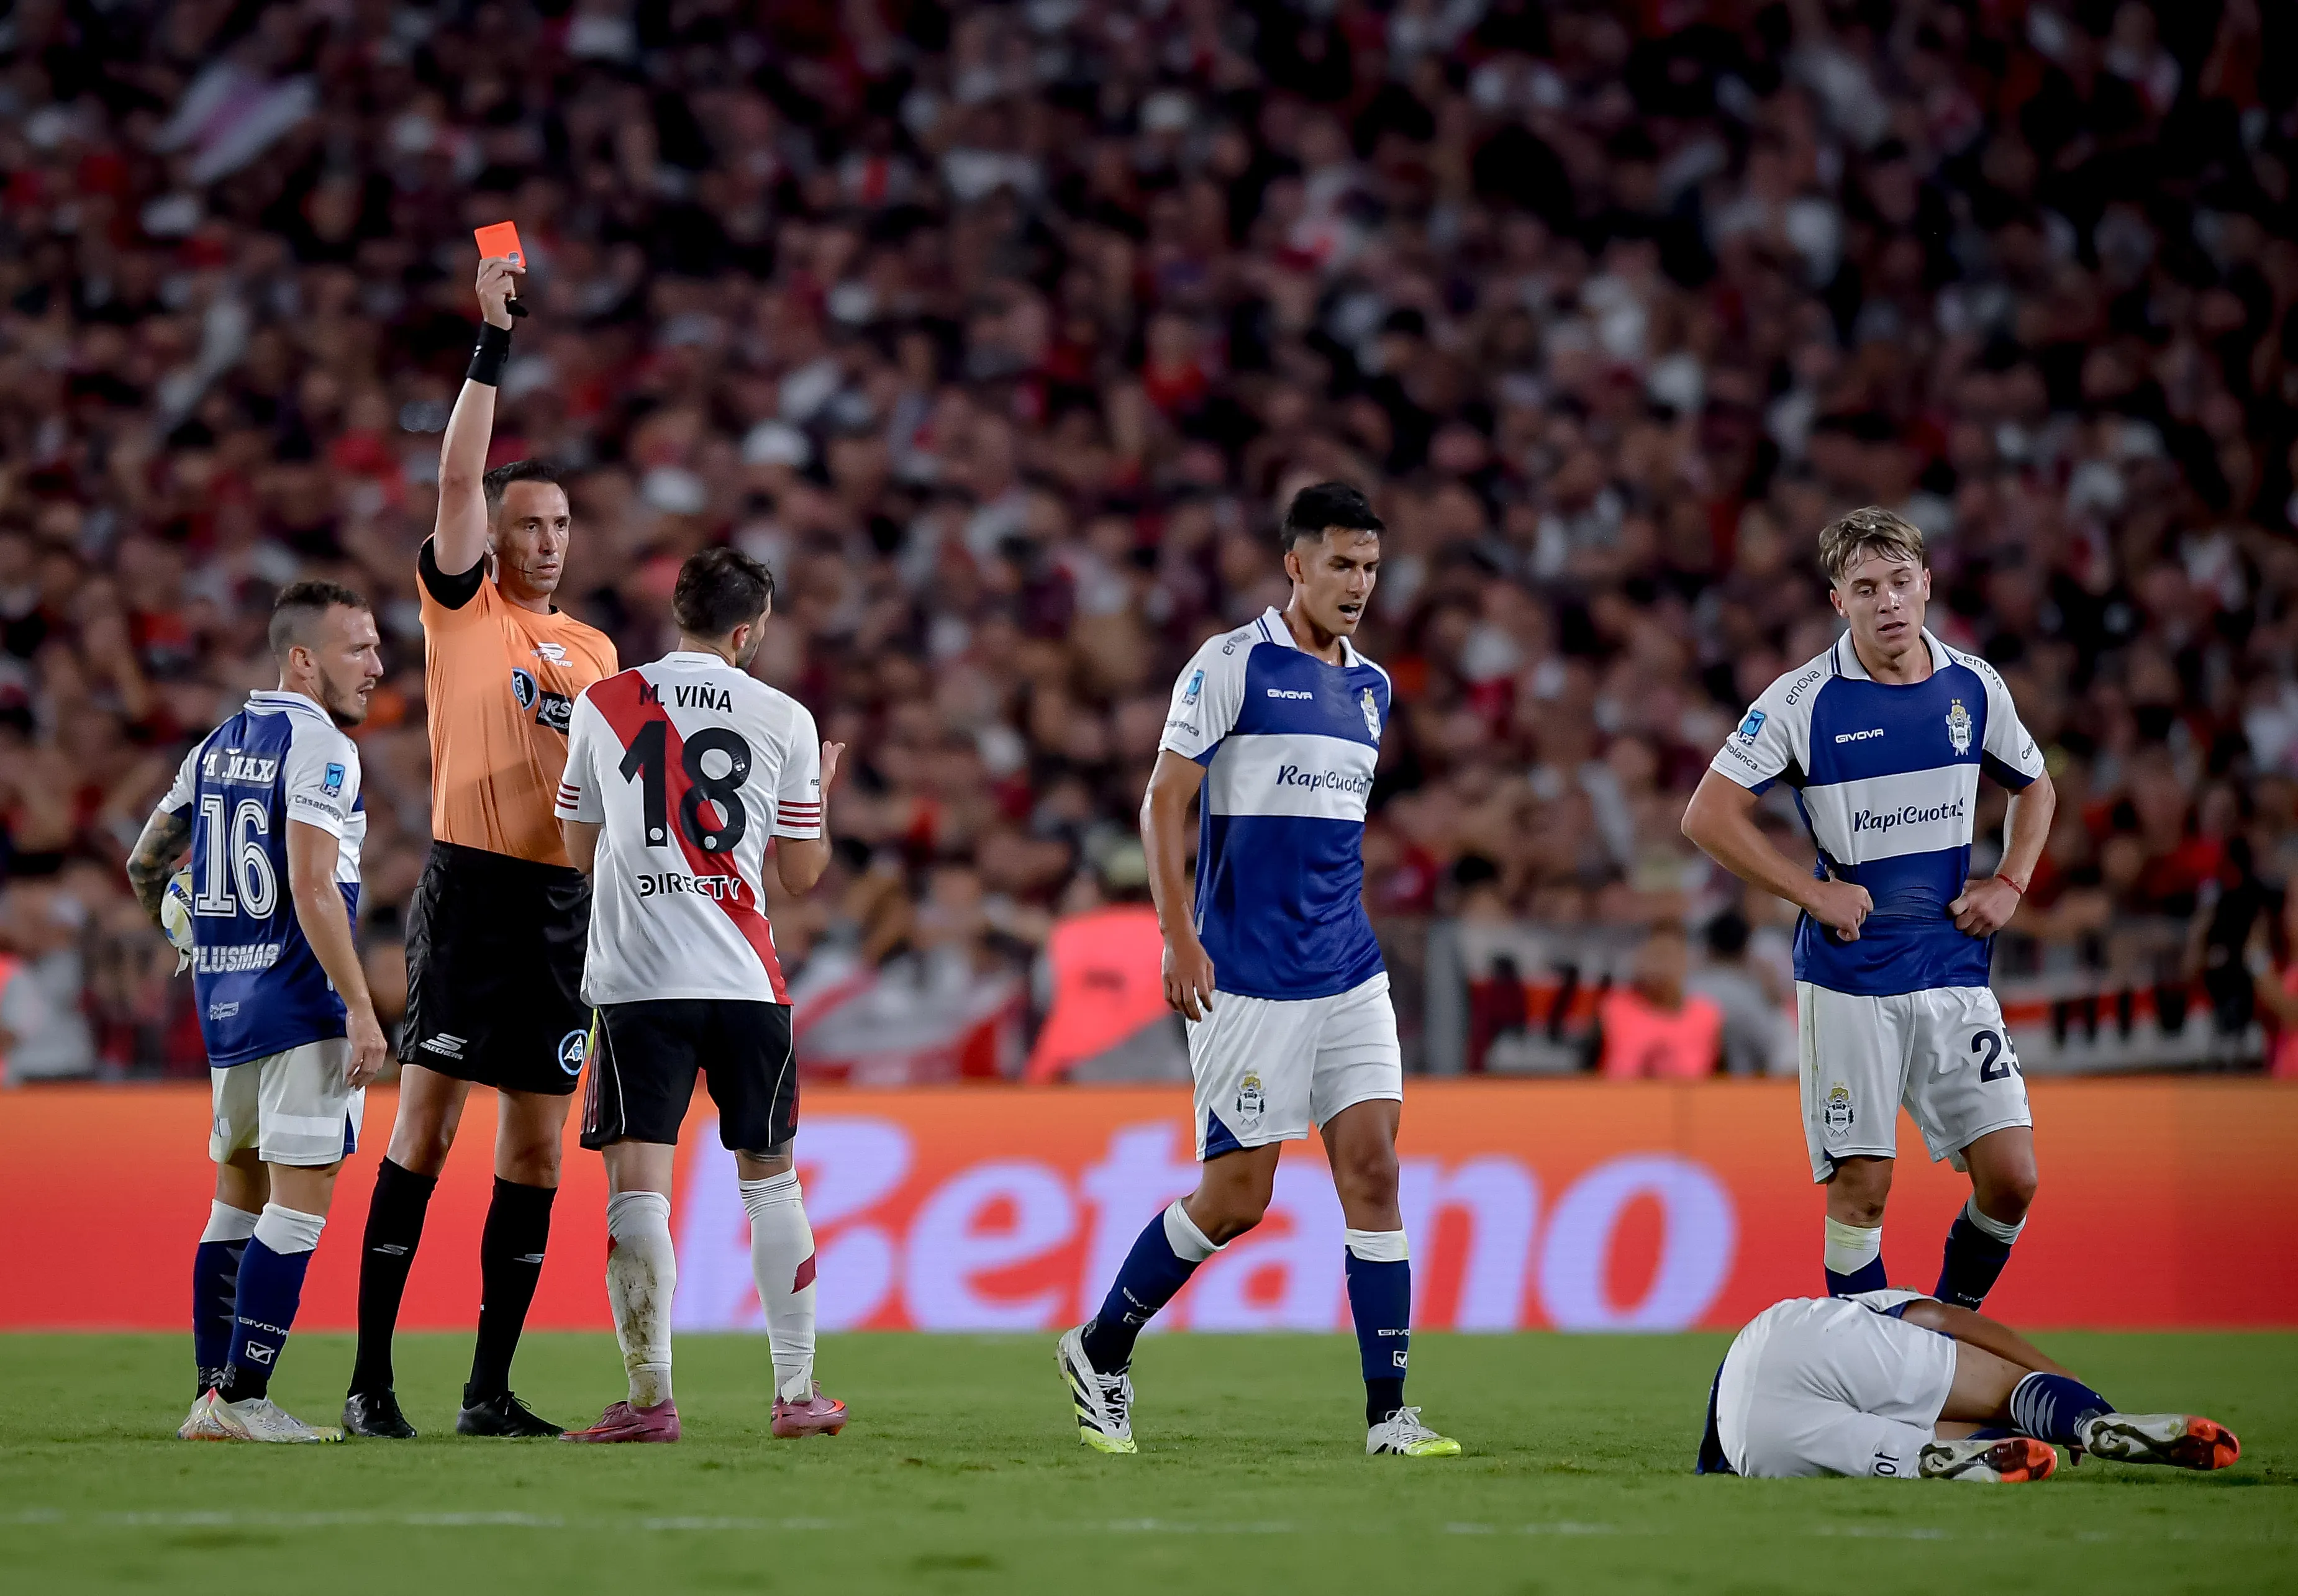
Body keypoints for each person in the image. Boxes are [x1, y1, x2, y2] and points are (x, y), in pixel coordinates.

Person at [1056, 481, 1458, 1459]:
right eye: (1340, 565)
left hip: (1349, 967)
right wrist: (1176, 934)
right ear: (1296, 565)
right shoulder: (1231, 665)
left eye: (1369, 566)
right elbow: (1163, 802)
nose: (1358, 584)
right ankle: (1101, 1347)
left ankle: (1387, 1415)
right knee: (1239, 1195)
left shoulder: (1372, 686)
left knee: (1375, 1168)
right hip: (1248, 972)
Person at [344, 255, 619, 1440]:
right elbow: (459, 469)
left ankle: (487, 1390)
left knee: (536, 1150)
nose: (547, 542)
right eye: (528, 525)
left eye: (561, 525)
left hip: (562, 910)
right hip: (469, 890)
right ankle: (368, 1383)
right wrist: (490, 345)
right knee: (426, 1127)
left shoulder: (602, 652)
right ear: (492, 536)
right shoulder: (465, 607)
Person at [1682, 508, 2056, 1309]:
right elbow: (1706, 815)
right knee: (1864, 1187)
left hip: (1954, 967)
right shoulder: (1801, 701)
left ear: (1925, 585)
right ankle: (1867, 1374)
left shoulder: (1973, 685)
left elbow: (2036, 786)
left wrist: (2009, 881)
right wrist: (1812, 891)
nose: (1886, 602)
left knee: (2013, 1177)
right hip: (1851, 977)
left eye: (1898, 583)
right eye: (1865, 588)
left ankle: (1945, 1339)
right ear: (1837, 601)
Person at [552, 546, 847, 1444]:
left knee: (640, 1186)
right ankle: (796, 1394)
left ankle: (650, 1401)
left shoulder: (606, 703)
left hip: (640, 982)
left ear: (677, 612)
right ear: (748, 630)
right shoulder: (786, 717)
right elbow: (800, 874)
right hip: (744, 981)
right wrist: (819, 802)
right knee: (770, 1178)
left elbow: (575, 848)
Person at [124, 581, 389, 1443]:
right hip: (301, 1004)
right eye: (359, 648)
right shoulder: (323, 749)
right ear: (303, 659)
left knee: (236, 1196)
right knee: (301, 1200)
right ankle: (243, 1397)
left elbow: (145, 862)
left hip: (226, 1004)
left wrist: (181, 917)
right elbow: (315, 886)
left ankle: (211, 1394)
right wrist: (359, 1004)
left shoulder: (214, 747)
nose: (377, 665)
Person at [1696, 1288, 2240, 1482]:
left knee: (1930, 1447)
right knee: (2008, 1391)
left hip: (1747, 1440)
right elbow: (1938, 1317)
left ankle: (1946, 1462)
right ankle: (2089, 1422)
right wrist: (2055, 1377)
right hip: (1795, 1344)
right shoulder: (1880, 1307)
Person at [1595, 924, 1724, 1078]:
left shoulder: (1707, 1014)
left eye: (1668, 957)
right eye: (1655, 957)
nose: (1661, 967)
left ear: (1687, 962)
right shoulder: (1614, 1009)